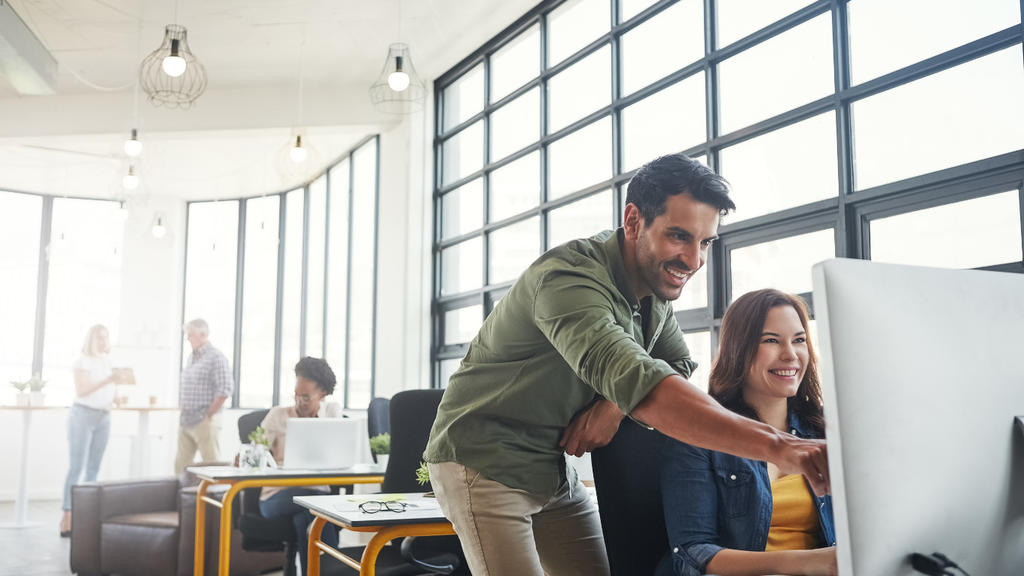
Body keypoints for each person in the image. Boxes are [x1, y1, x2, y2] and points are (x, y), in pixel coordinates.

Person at [423, 153, 830, 576]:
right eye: (679, 236)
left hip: (550, 470)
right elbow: (643, 383)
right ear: (633, 220)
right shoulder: (570, 280)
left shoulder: (652, 292)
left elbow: (675, 360)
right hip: (484, 462)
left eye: (704, 242)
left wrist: (613, 407)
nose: (693, 260)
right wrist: (781, 446)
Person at [657, 289, 837, 576]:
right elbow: (693, 552)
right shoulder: (698, 434)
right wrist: (808, 562)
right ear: (738, 349)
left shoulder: (826, 428)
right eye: (771, 341)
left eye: (799, 340)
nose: (790, 354)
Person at [258, 356, 343, 576]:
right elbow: (253, 454)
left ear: (322, 393)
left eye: (306, 397)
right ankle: (334, 572)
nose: (299, 402)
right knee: (314, 508)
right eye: (296, 395)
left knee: (306, 515)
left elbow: (343, 455)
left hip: (317, 496)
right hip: (276, 496)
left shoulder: (331, 414)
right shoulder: (278, 415)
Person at [61, 324, 123, 536]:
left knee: (93, 469)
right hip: (82, 416)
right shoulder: (82, 361)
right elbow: (82, 390)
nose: (104, 341)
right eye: (100, 338)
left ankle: (86, 517)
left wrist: (117, 397)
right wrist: (108, 381)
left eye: (106, 337)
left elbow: (110, 390)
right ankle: (67, 518)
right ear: (91, 339)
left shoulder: (109, 362)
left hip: (104, 417)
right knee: (76, 467)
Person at [175, 318, 233, 475]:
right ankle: (182, 498)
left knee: (212, 466)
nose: (188, 338)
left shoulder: (216, 357)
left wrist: (208, 415)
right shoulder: (191, 357)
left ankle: (215, 498)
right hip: (186, 419)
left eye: (191, 334)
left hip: (204, 420)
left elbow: (225, 390)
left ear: (203, 334)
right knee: (180, 467)